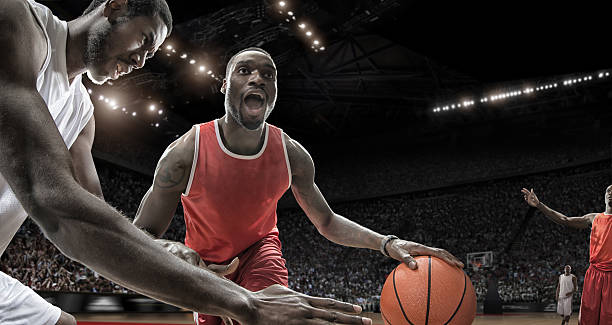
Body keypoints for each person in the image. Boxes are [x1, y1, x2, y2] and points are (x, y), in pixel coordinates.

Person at [0, 1, 367, 324]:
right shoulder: (19, 22)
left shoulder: (82, 114)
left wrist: (163, 248)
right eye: (144, 40)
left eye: (150, 53)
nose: (141, 61)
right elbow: (56, 204)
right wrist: (246, 305)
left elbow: (95, 216)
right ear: (115, 6)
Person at [133, 47, 465, 325]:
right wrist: (178, 254)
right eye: (244, 71)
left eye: (268, 74)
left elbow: (327, 221)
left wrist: (387, 242)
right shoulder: (185, 152)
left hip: (260, 252)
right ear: (224, 86)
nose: (258, 78)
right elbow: (140, 235)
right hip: (203, 265)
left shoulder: (291, 154)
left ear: (275, 91)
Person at [522, 187, 612, 325]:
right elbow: (565, 219)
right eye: (608, 191)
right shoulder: (594, 218)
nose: (611, 193)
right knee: (588, 319)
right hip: (594, 275)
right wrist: (539, 205)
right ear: (604, 196)